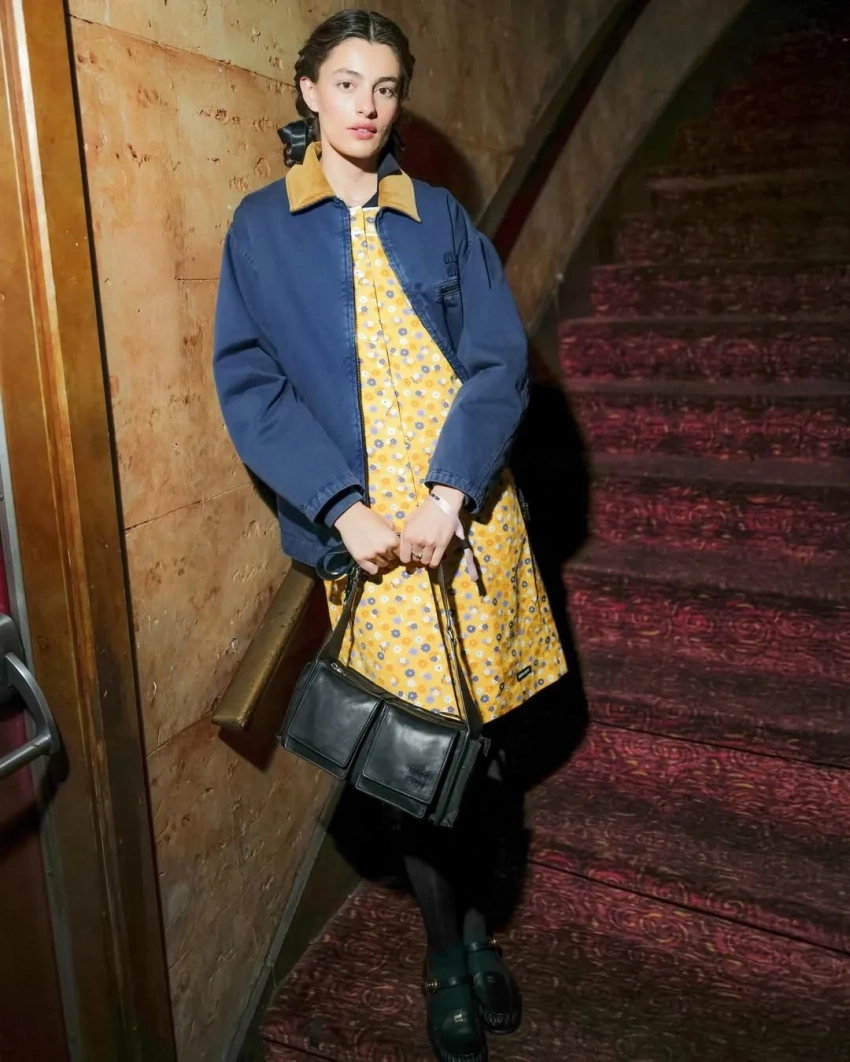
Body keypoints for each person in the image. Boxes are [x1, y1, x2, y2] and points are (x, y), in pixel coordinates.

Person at [213, 11, 567, 1061]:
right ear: (308, 91)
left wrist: (450, 496)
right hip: (369, 544)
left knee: (485, 752)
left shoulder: (439, 216)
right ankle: (442, 950)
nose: (365, 106)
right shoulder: (261, 227)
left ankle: (479, 933)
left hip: (470, 521)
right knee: (413, 762)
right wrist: (339, 506)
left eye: (385, 87)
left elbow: (497, 362)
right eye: (345, 83)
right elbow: (252, 385)